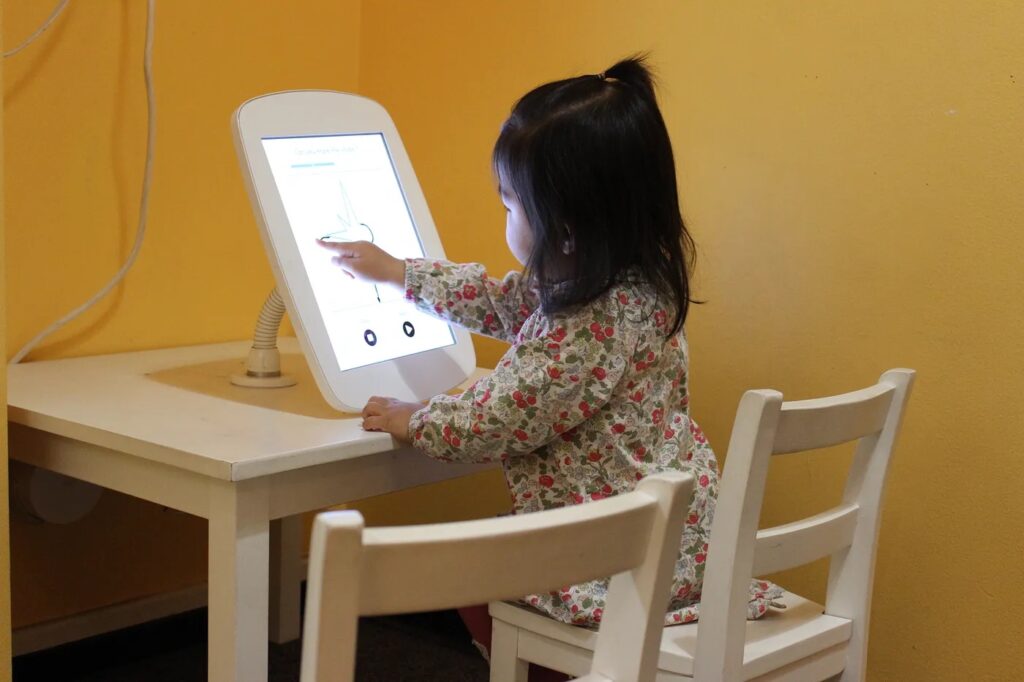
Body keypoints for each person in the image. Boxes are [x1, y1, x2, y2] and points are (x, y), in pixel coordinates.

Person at [319, 55, 780, 680]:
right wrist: (404, 274)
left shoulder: (587, 325)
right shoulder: (636, 286)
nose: (504, 219)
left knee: (465, 571)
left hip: (610, 559)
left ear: (563, 228)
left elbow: (497, 417)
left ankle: (557, 668)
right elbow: (505, 301)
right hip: (680, 541)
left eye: (509, 206)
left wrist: (414, 419)